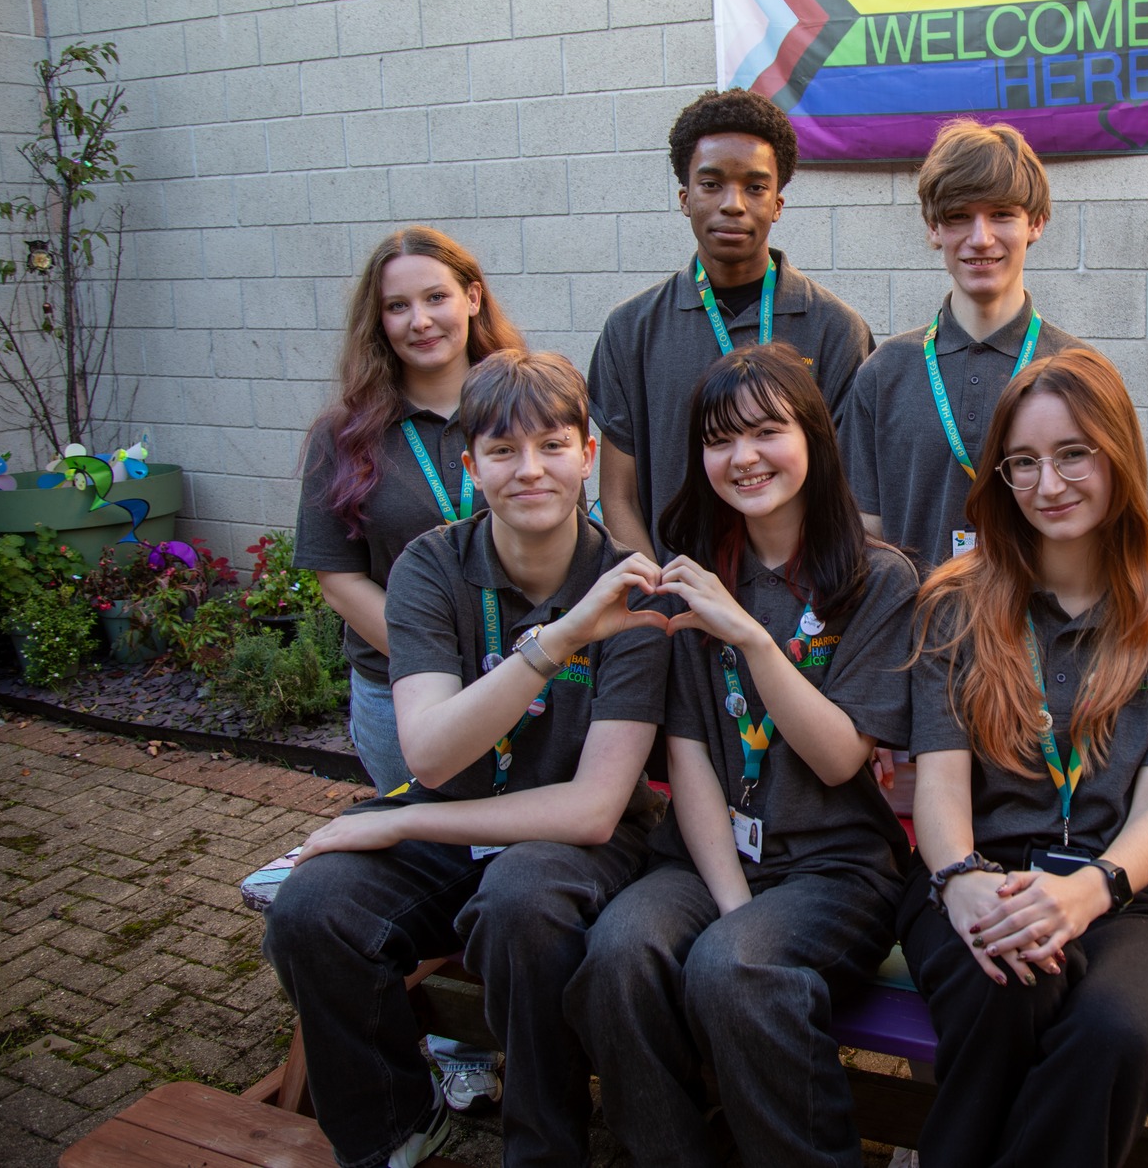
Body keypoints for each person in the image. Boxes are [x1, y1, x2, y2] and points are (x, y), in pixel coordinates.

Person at [263, 350, 672, 1168]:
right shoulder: (430, 565)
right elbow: (430, 750)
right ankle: (396, 1128)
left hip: (572, 839)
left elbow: (595, 808)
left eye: (552, 446)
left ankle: (544, 1148)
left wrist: (400, 820)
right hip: (454, 815)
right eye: (503, 450)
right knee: (312, 909)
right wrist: (555, 643)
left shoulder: (629, 590)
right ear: (471, 466)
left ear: (588, 455)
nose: (531, 470)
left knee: (521, 904)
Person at [567, 342, 918, 1168]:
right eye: (720, 439)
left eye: (767, 431)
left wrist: (753, 637)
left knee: (735, 968)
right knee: (618, 953)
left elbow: (840, 759)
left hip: (834, 867)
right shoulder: (687, 579)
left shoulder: (879, 581)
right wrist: (732, 901)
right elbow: (688, 753)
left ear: (814, 437)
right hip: (708, 857)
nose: (744, 456)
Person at [902, 346, 1148, 1168]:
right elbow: (939, 785)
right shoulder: (955, 605)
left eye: (1073, 453)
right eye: (1024, 461)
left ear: (1118, 454)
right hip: (984, 873)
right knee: (1010, 984)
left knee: (1114, 1031)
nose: (1048, 483)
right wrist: (961, 880)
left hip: (1133, 893)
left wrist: (1090, 890)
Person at [588, 88, 874, 562]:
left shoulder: (835, 329)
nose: (733, 204)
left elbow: (849, 490)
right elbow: (619, 496)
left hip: (800, 594)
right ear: (685, 198)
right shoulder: (630, 330)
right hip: (673, 595)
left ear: (777, 204)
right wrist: (658, 593)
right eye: (711, 184)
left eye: (755, 187)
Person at [297, 227, 524, 795]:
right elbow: (339, 580)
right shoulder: (344, 435)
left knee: (524, 838)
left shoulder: (525, 410)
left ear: (472, 298)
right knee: (420, 839)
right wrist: (436, 663)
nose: (420, 321)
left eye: (436, 297)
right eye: (397, 306)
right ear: (379, 322)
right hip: (398, 691)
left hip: (523, 682)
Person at [843, 118, 1088, 575]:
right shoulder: (883, 373)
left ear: (1036, 223)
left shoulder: (1081, 372)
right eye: (959, 216)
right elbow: (863, 536)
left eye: (1002, 214)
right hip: (915, 620)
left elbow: (1113, 530)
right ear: (934, 228)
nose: (981, 238)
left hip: (1039, 621)